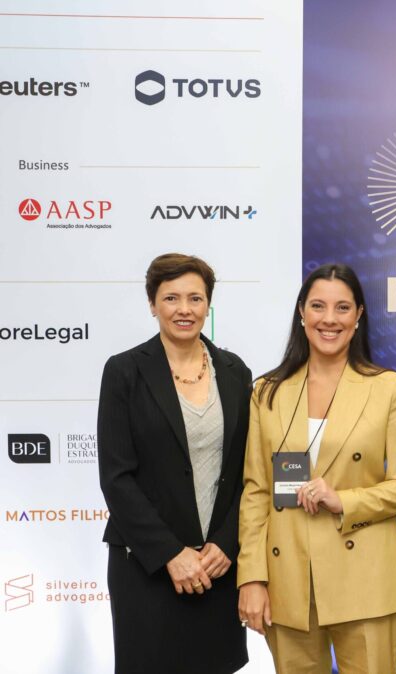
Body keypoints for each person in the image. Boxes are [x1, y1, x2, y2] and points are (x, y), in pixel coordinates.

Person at [237, 263, 396, 673]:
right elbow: (256, 492)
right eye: (318, 306)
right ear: (301, 312)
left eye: (342, 307)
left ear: (359, 316)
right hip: (289, 579)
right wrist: (251, 577)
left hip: (365, 577)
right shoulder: (267, 392)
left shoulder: (388, 387)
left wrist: (345, 500)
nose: (329, 319)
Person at [97, 253, 251, 674]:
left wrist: (227, 542)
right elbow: (116, 477)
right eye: (171, 298)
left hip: (216, 566)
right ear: (152, 304)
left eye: (195, 298)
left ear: (208, 305)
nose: (185, 309)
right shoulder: (124, 371)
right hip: (146, 566)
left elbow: (249, 472)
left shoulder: (236, 372)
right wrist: (170, 553)